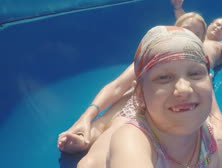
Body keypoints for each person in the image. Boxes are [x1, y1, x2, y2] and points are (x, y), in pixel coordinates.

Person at [57, 12, 207, 154]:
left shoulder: (202, 68)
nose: (190, 36)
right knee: (122, 114)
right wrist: (86, 117)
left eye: (197, 34)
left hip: (176, 108)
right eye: (186, 30)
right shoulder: (156, 58)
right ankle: (90, 135)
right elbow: (117, 86)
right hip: (144, 102)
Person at [107, 26, 222, 168]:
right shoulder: (131, 142)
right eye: (164, 77)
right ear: (140, 93)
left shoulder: (219, 144)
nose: (184, 89)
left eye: (195, 73)